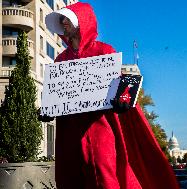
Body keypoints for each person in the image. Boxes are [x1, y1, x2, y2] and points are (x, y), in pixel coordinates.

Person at [44, 2, 179, 189]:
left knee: (105, 173)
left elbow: (122, 81)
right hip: (73, 131)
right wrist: (47, 108)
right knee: (76, 175)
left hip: (102, 128)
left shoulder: (104, 51)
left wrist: (125, 96)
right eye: (61, 20)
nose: (63, 22)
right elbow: (56, 92)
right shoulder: (61, 59)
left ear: (82, 22)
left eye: (67, 18)